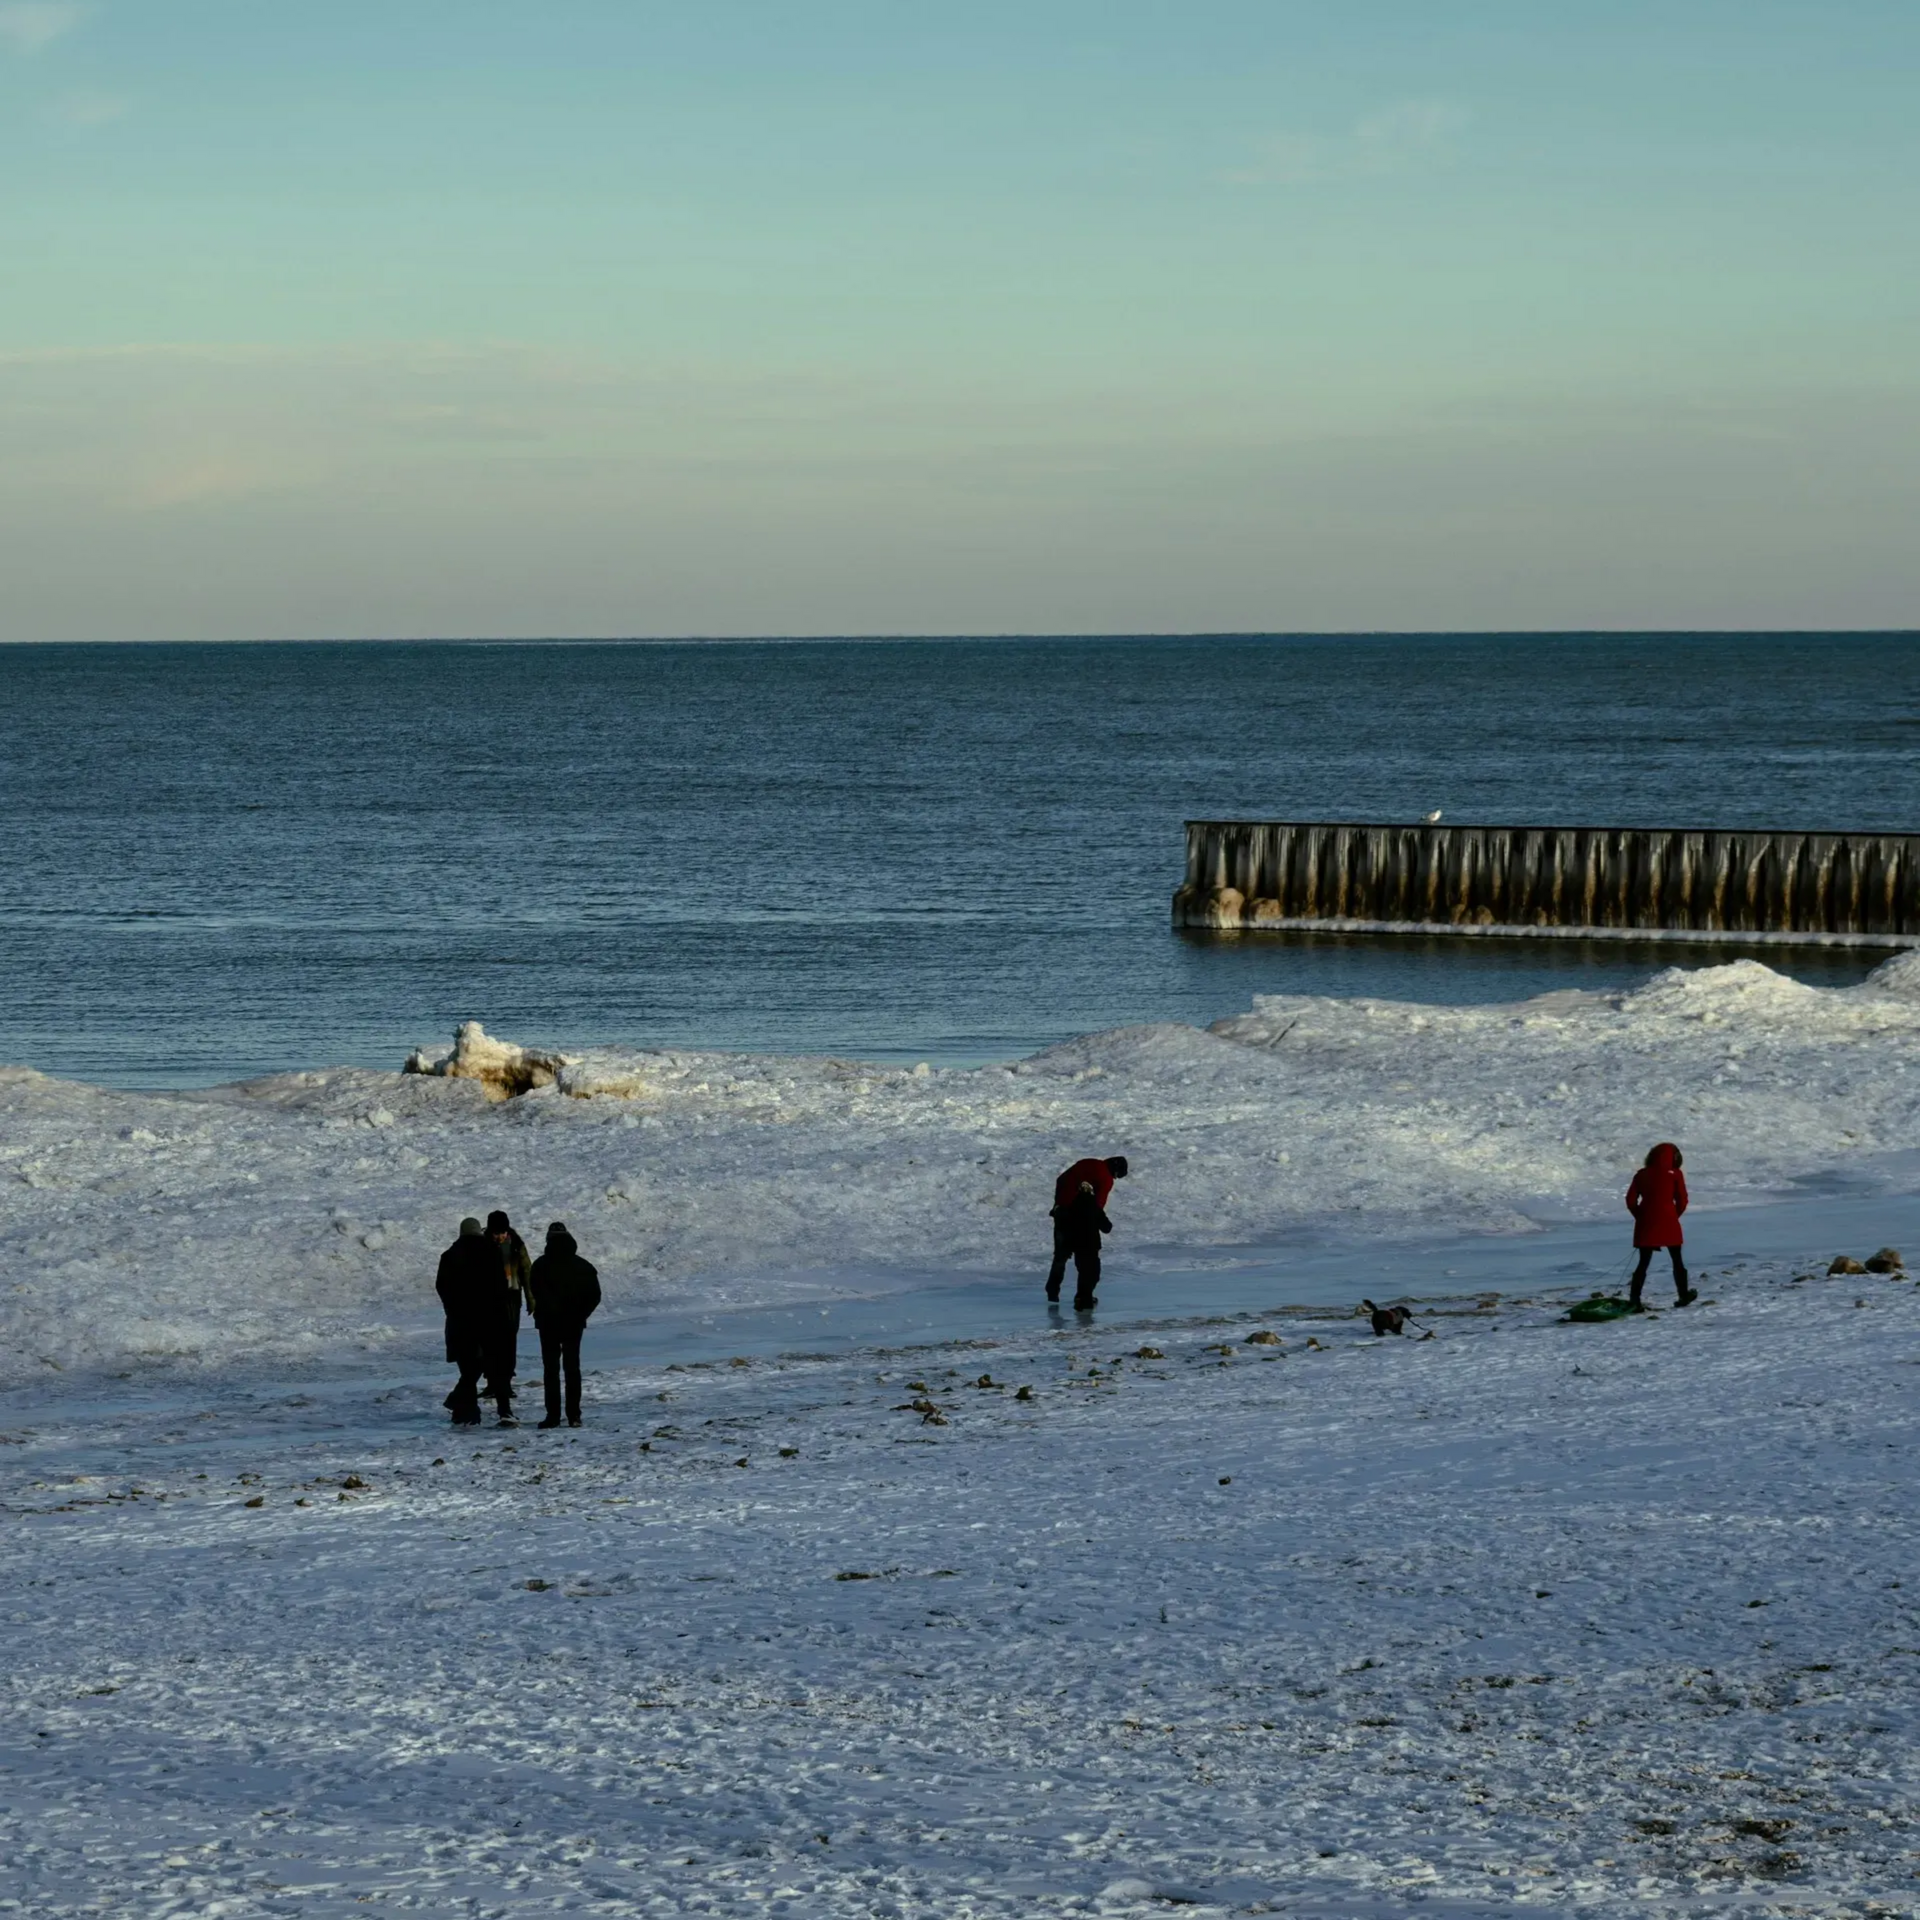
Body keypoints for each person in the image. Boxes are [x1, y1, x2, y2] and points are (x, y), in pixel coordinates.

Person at [527, 1221, 602, 1428]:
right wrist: (581, 1314)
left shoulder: (540, 1265)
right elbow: (595, 1295)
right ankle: (574, 1415)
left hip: (548, 1323)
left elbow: (535, 1291)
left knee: (550, 1370)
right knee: (572, 1369)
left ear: (548, 1240)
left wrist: (546, 1310)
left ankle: (552, 1416)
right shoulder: (583, 1266)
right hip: (573, 1324)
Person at [436, 1217, 503, 1425]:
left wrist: (451, 1308)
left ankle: (463, 1410)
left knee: (467, 1366)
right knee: (479, 1365)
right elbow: (499, 1284)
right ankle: (461, 1407)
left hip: (459, 1319)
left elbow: (442, 1286)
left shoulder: (449, 1255)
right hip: (485, 1317)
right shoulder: (491, 1252)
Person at [1046, 1155, 1128, 1303]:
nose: (1115, 1179)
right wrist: (1096, 1219)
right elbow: (1098, 1206)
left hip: (1061, 1213)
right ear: (1115, 1171)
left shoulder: (1088, 1162)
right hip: (1081, 1224)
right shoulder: (1106, 1178)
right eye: (1117, 1176)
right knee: (1088, 1265)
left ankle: (1052, 1290)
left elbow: (1061, 1180)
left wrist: (1058, 1204)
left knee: (1060, 1256)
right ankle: (1083, 1297)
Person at [1626, 1142, 1695, 1307]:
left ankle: (1635, 1300)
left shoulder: (1641, 1174)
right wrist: (1673, 1215)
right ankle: (1683, 1296)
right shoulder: (1675, 1174)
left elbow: (1630, 1200)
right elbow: (1683, 1200)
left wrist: (1640, 1216)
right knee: (1677, 1260)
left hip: (1646, 1220)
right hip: (1669, 1219)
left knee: (1643, 1263)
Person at [484, 1209, 533, 1425]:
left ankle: (506, 1381)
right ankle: (493, 1382)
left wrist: (532, 1298)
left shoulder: (516, 1244)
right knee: (490, 1342)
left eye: (502, 1232)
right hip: (490, 1299)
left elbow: (526, 1271)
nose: (499, 1237)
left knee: (509, 1340)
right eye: (496, 1233)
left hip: (512, 1296)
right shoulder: (483, 1245)